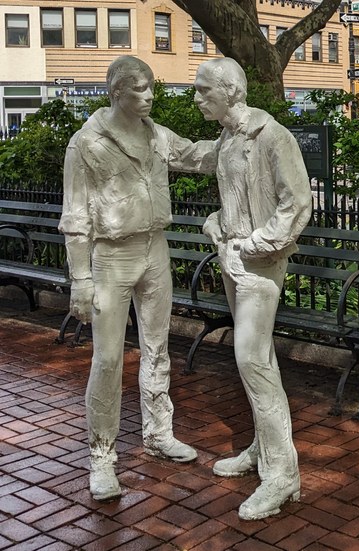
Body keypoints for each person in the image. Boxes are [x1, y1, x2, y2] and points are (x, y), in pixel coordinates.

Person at [59, 56, 217, 501]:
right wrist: (81, 279)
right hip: (111, 256)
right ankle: (102, 456)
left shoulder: (155, 134)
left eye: (151, 89)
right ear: (116, 91)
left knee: (158, 347)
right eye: (141, 89)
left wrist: (242, 135)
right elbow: (74, 217)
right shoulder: (86, 143)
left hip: (155, 250)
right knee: (107, 360)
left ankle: (158, 432)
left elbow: (194, 154)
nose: (150, 96)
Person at [194, 58, 312, 520]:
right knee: (253, 362)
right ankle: (264, 450)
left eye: (205, 91)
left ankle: (283, 474)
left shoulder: (271, 135)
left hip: (259, 265)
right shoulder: (226, 138)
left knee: (251, 358)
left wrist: (256, 244)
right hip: (233, 260)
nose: (198, 98)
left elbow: (297, 201)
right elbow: (191, 157)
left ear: (231, 91)